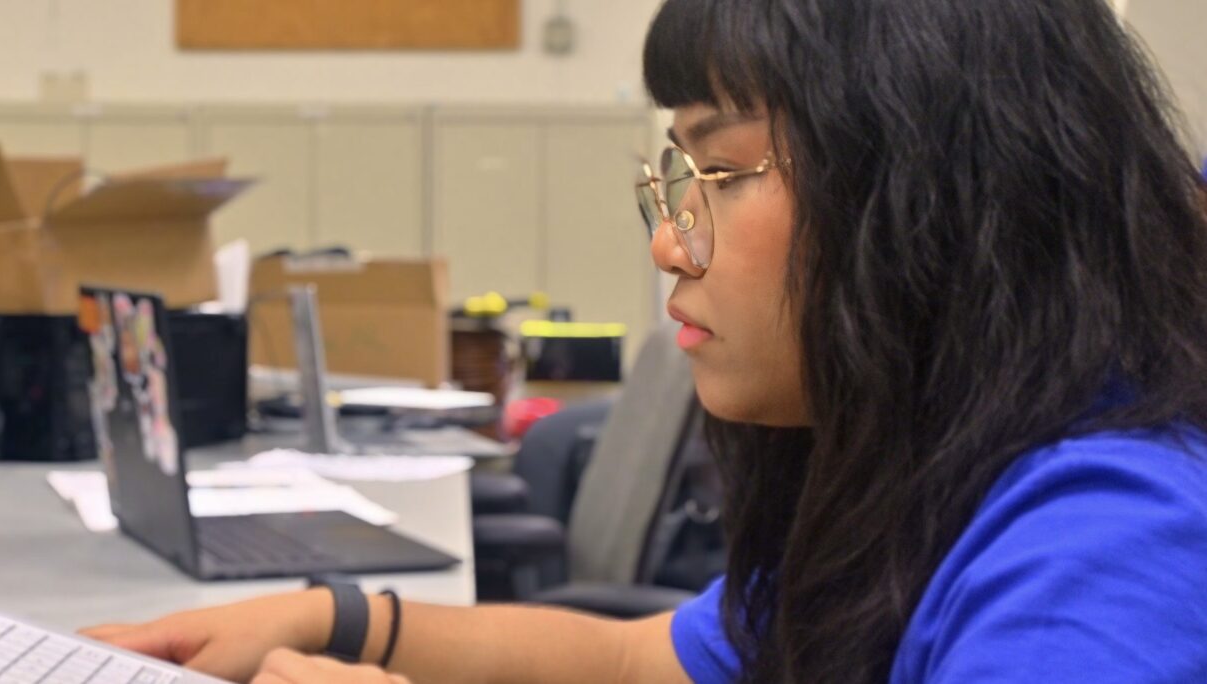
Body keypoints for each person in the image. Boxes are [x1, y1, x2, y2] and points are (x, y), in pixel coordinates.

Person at [82, 0, 1207, 681]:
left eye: (723, 169)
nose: (670, 242)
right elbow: (631, 661)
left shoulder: (1101, 555)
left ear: (934, 190)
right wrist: (336, 620)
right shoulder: (919, 471)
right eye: (677, 175)